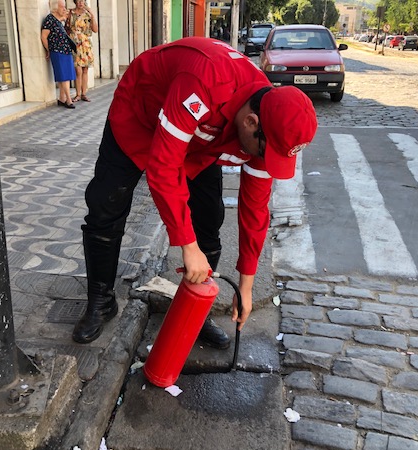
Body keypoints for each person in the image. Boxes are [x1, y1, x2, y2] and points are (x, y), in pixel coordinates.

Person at [72, 37, 317, 348]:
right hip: (141, 114)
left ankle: (195, 311)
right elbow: (163, 166)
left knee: (209, 215)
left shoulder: (267, 130)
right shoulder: (207, 81)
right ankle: (101, 301)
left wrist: (246, 286)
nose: (265, 163)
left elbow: (255, 210)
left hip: (202, 138)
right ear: (250, 122)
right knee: (107, 202)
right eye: (266, 154)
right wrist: (187, 245)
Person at [41, 0, 76, 109]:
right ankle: (68, 100)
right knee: (64, 76)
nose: (64, 9)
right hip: (57, 51)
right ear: (55, 8)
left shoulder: (60, 19)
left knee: (66, 76)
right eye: (62, 7)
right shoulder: (49, 19)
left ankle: (62, 98)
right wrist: (49, 50)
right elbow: (44, 36)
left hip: (66, 50)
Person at [66, 0, 98, 102]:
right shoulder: (70, 13)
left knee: (85, 70)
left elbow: (95, 29)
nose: (81, 3)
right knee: (78, 70)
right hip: (75, 44)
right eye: (78, 1)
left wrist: (92, 15)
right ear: (75, 2)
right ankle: (78, 94)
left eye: (82, 1)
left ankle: (84, 94)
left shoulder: (88, 14)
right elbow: (66, 29)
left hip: (86, 45)